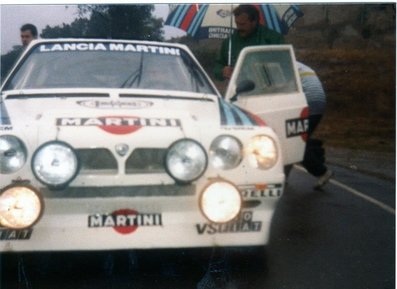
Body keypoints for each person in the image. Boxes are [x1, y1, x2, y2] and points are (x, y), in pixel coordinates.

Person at [213, 4, 285, 81]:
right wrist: (222, 71)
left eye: (243, 24)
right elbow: (218, 65)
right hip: (239, 88)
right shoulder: (229, 42)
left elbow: (286, 65)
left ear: (254, 22)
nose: (239, 27)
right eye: (237, 23)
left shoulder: (273, 39)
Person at [297, 61, 333, 189]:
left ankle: (322, 172)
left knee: (297, 143)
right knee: (299, 138)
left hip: (309, 102)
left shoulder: (287, 66)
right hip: (319, 102)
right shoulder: (301, 65)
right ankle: (317, 151)